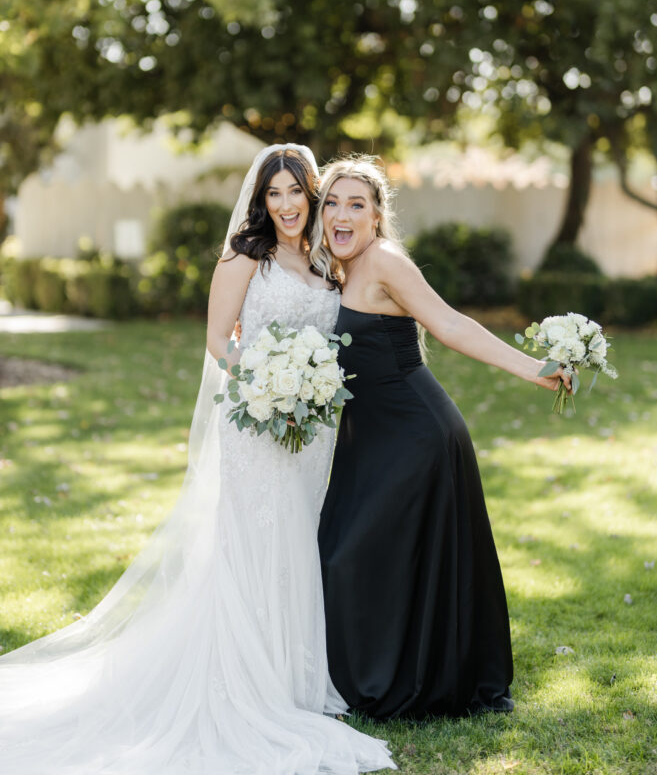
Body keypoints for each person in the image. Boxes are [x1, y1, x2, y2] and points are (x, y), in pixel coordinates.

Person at [0, 145, 394, 775]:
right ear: (261, 200)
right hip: (261, 423)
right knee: (252, 546)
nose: (288, 205)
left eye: (297, 192)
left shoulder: (325, 259)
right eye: (275, 194)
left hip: (311, 431)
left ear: (311, 195)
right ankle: (244, 684)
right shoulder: (245, 255)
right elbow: (218, 340)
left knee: (298, 545)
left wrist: (311, 389)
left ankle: (293, 677)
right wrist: (271, 383)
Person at [310, 156, 572, 721]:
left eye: (356, 204)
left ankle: (394, 685)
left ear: (377, 216)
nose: (341, 214)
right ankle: (375, 678)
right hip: (367, 441)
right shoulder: (335, 267)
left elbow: (449, 325)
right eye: (331, 202)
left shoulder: (382, 260)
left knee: (351, 556)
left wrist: (533, 368)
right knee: (341, 552)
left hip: (416, 434)